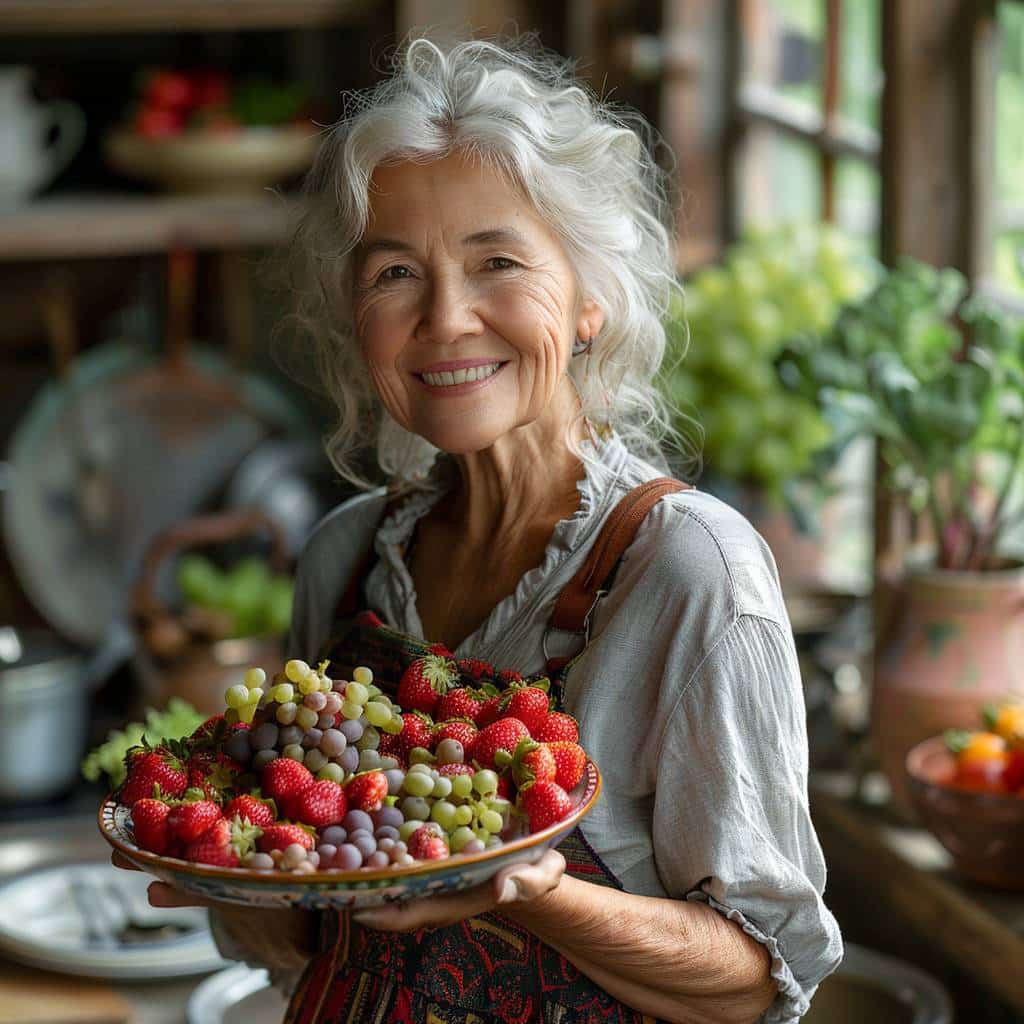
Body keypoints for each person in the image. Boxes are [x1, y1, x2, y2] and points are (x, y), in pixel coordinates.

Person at [132, 36, 842, 1024]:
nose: (445, 318)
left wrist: (536, 894)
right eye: (393, 275)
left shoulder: (687, 571)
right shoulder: (344, 560)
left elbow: (761, 978)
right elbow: (314, 936)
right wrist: (237, 882)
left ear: (590, 297)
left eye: (496, 260)